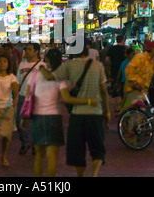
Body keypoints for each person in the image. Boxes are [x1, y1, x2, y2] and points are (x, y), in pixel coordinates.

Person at [39, 44, 110, 177]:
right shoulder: (98, 66)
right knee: (97, 148)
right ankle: (94, 174)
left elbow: (49, 77)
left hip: (77, 114)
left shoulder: (69, 65)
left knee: (77, 150)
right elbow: (104, 91)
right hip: (95, 113)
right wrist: (107, 111)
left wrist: (42, 68)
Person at [15, 43, 44, 156]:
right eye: (26, 49)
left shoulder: (42, 65)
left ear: (36, 51)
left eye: (29, 49)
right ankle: (25, 142)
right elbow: (17, 81)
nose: (27, 51)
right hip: (23, 96)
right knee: (19, 121)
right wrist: (16, 96)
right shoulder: (22, 64)